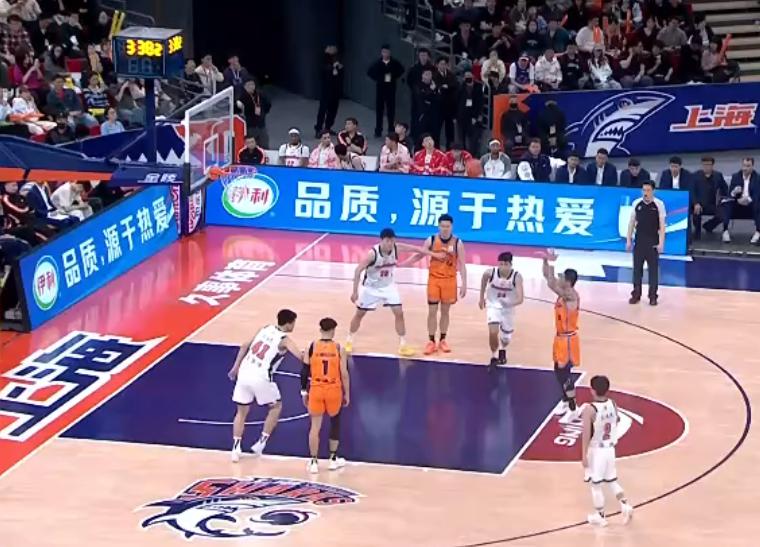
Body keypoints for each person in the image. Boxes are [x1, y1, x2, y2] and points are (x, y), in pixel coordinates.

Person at [346, 228, 442, 357]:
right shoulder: (373, 254)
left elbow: (417, 249)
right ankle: (349, 340)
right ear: (382, 240)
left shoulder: (397, 248)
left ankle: (403, 345)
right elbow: (358, 270)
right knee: (359, 314)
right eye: (387, 241)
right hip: (371, 288)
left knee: (399, 313)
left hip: (388, 287)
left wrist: (434, 254)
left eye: (392, 240)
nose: (390, 243)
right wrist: (355, 292)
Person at [228, 309, 300, 462]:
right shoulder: (284, 340)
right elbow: (300, 356)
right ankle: (261, 442)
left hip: (244, 372)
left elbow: (244, 345)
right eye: (294, 322)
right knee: (276, 407)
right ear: (288, 324)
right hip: (261, 377)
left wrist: (235, 368)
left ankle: (235, 448)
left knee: (241, 412)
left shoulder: (265, 328)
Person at [582, 375, 635, 527]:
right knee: (612, 481)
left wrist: (583, 455)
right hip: (610, 449)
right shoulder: (612, 403)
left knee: (595, 485)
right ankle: (625, 505)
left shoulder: (589, 409)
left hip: (596, 450)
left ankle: (600, 516)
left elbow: (586, 434)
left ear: (592, 390)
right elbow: (617, 419)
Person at [413, 214, 467, 355]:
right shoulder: (431, 240)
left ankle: (443, 339)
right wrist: (404, 263)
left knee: (445, 311)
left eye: (447, 226)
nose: (445, 229)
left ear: (452, 227)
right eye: (442, 226)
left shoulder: (457, 243)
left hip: (449, 280)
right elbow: (419, 255)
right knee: (432, 311)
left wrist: (464, 283)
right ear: (438, 226)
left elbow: (462, 264)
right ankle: (431, 341)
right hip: (434, 279)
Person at [301, 317, 350, 474]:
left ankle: (313, 462)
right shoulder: (339, 348)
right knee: (335, 422)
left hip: (316, 388)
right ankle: (333, 459)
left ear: (320, 329)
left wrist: (303, 391)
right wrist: (347, 393)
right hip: (333, 389)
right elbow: (344, 374)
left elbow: (304, 371)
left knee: (315, 427)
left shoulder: (312, 346)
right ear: (333, 331)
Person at [542, 250, 580, 418]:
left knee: (565, 373)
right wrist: (546, 262)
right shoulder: (563, 291)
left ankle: (573, 408)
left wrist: (552, 263)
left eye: (562, 277)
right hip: (559, 338)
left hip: (568, 340)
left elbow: (551, 284)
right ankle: (565, 400)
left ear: (568, 281)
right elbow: (548, 278)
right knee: (558, 371)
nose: (560, 279)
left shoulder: (571, 295)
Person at [479, 251, 524, 370]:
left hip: (508, 309)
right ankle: (494, 356)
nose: (503, 267)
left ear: (510, 265)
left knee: (506, 338)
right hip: (493, 305)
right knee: (493, 332)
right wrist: (481, 298)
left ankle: (503, 349)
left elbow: (520, 299)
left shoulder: (517, 277)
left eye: (506, 264)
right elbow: (483, 281)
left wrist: (509, 303)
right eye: (501, 264)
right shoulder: (490, 273)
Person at [626, 182, 666, 305]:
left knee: (653, 271)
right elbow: (631, 223)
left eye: (648, 190)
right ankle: (636, 294)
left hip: (652, 242)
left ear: (653, 191)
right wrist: (628, 240)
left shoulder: (659, 204)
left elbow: (662, 226)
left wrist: (661, 243)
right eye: (644, 190)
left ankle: (653, 296)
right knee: (637, 271)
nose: (645, 193)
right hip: (639, 242)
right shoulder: (637, 203)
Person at [719, 157, 760, 244]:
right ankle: (725, 230)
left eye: (748, 166)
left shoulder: (757, 178)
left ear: (752, 167)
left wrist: (748, 199)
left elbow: (757, 194)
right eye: (744, 165)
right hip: (738, 203)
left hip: (751, 203)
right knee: (727, 203)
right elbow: (730, 195)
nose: (745, 168)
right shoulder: (736, 176)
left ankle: (758, 231)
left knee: (758, 204)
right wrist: (734, 193)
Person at [367, 45, 405, 138]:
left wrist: (393, 77)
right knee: (379, 110)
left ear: (390, 52)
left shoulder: (394, 63)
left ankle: (391, 129)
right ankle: (378, 130)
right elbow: (369, 72)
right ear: (381, 52)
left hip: (391, 88)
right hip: (380, 88)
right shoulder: (378, 63)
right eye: (383, 52)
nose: (385, 54)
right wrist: (379, 78)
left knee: (391, 110)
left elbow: (401, 70)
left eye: (387, 52)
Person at [692, 156, 725, 239]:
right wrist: (695, 203)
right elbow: (692, 191)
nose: (706, 167)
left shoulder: (718, 176)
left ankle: (708, 226)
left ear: (712, 165)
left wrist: (722, 200)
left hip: (712, 204)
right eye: (704, 165)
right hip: (699, 204)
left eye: (708, 165)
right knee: (696, 212)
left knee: (722, 214)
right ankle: (697, 232)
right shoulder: (695, 176)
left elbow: (724, 189)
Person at [315, 45, 343, 137]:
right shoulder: (324, 60)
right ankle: (318, 129)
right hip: (326, 90)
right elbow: (322, 70)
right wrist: (332, 68)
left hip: (335, 90)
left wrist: (339, 67)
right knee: (323, 110)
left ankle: (328, 127)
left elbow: (340, 73)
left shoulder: (337, 59)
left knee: (333, 110)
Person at [456, 70, 484, 156]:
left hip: (473, 116)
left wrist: (477, 116)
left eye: (469, 76)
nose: (468, 78)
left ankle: (472, 155)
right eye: (466, 76)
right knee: (461, 138)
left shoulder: (478, 87)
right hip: (462, 116)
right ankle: (462, 155)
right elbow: (456, 101)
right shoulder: (460, 87)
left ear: (473, 77)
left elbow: (480, 103)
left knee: (473, 138)